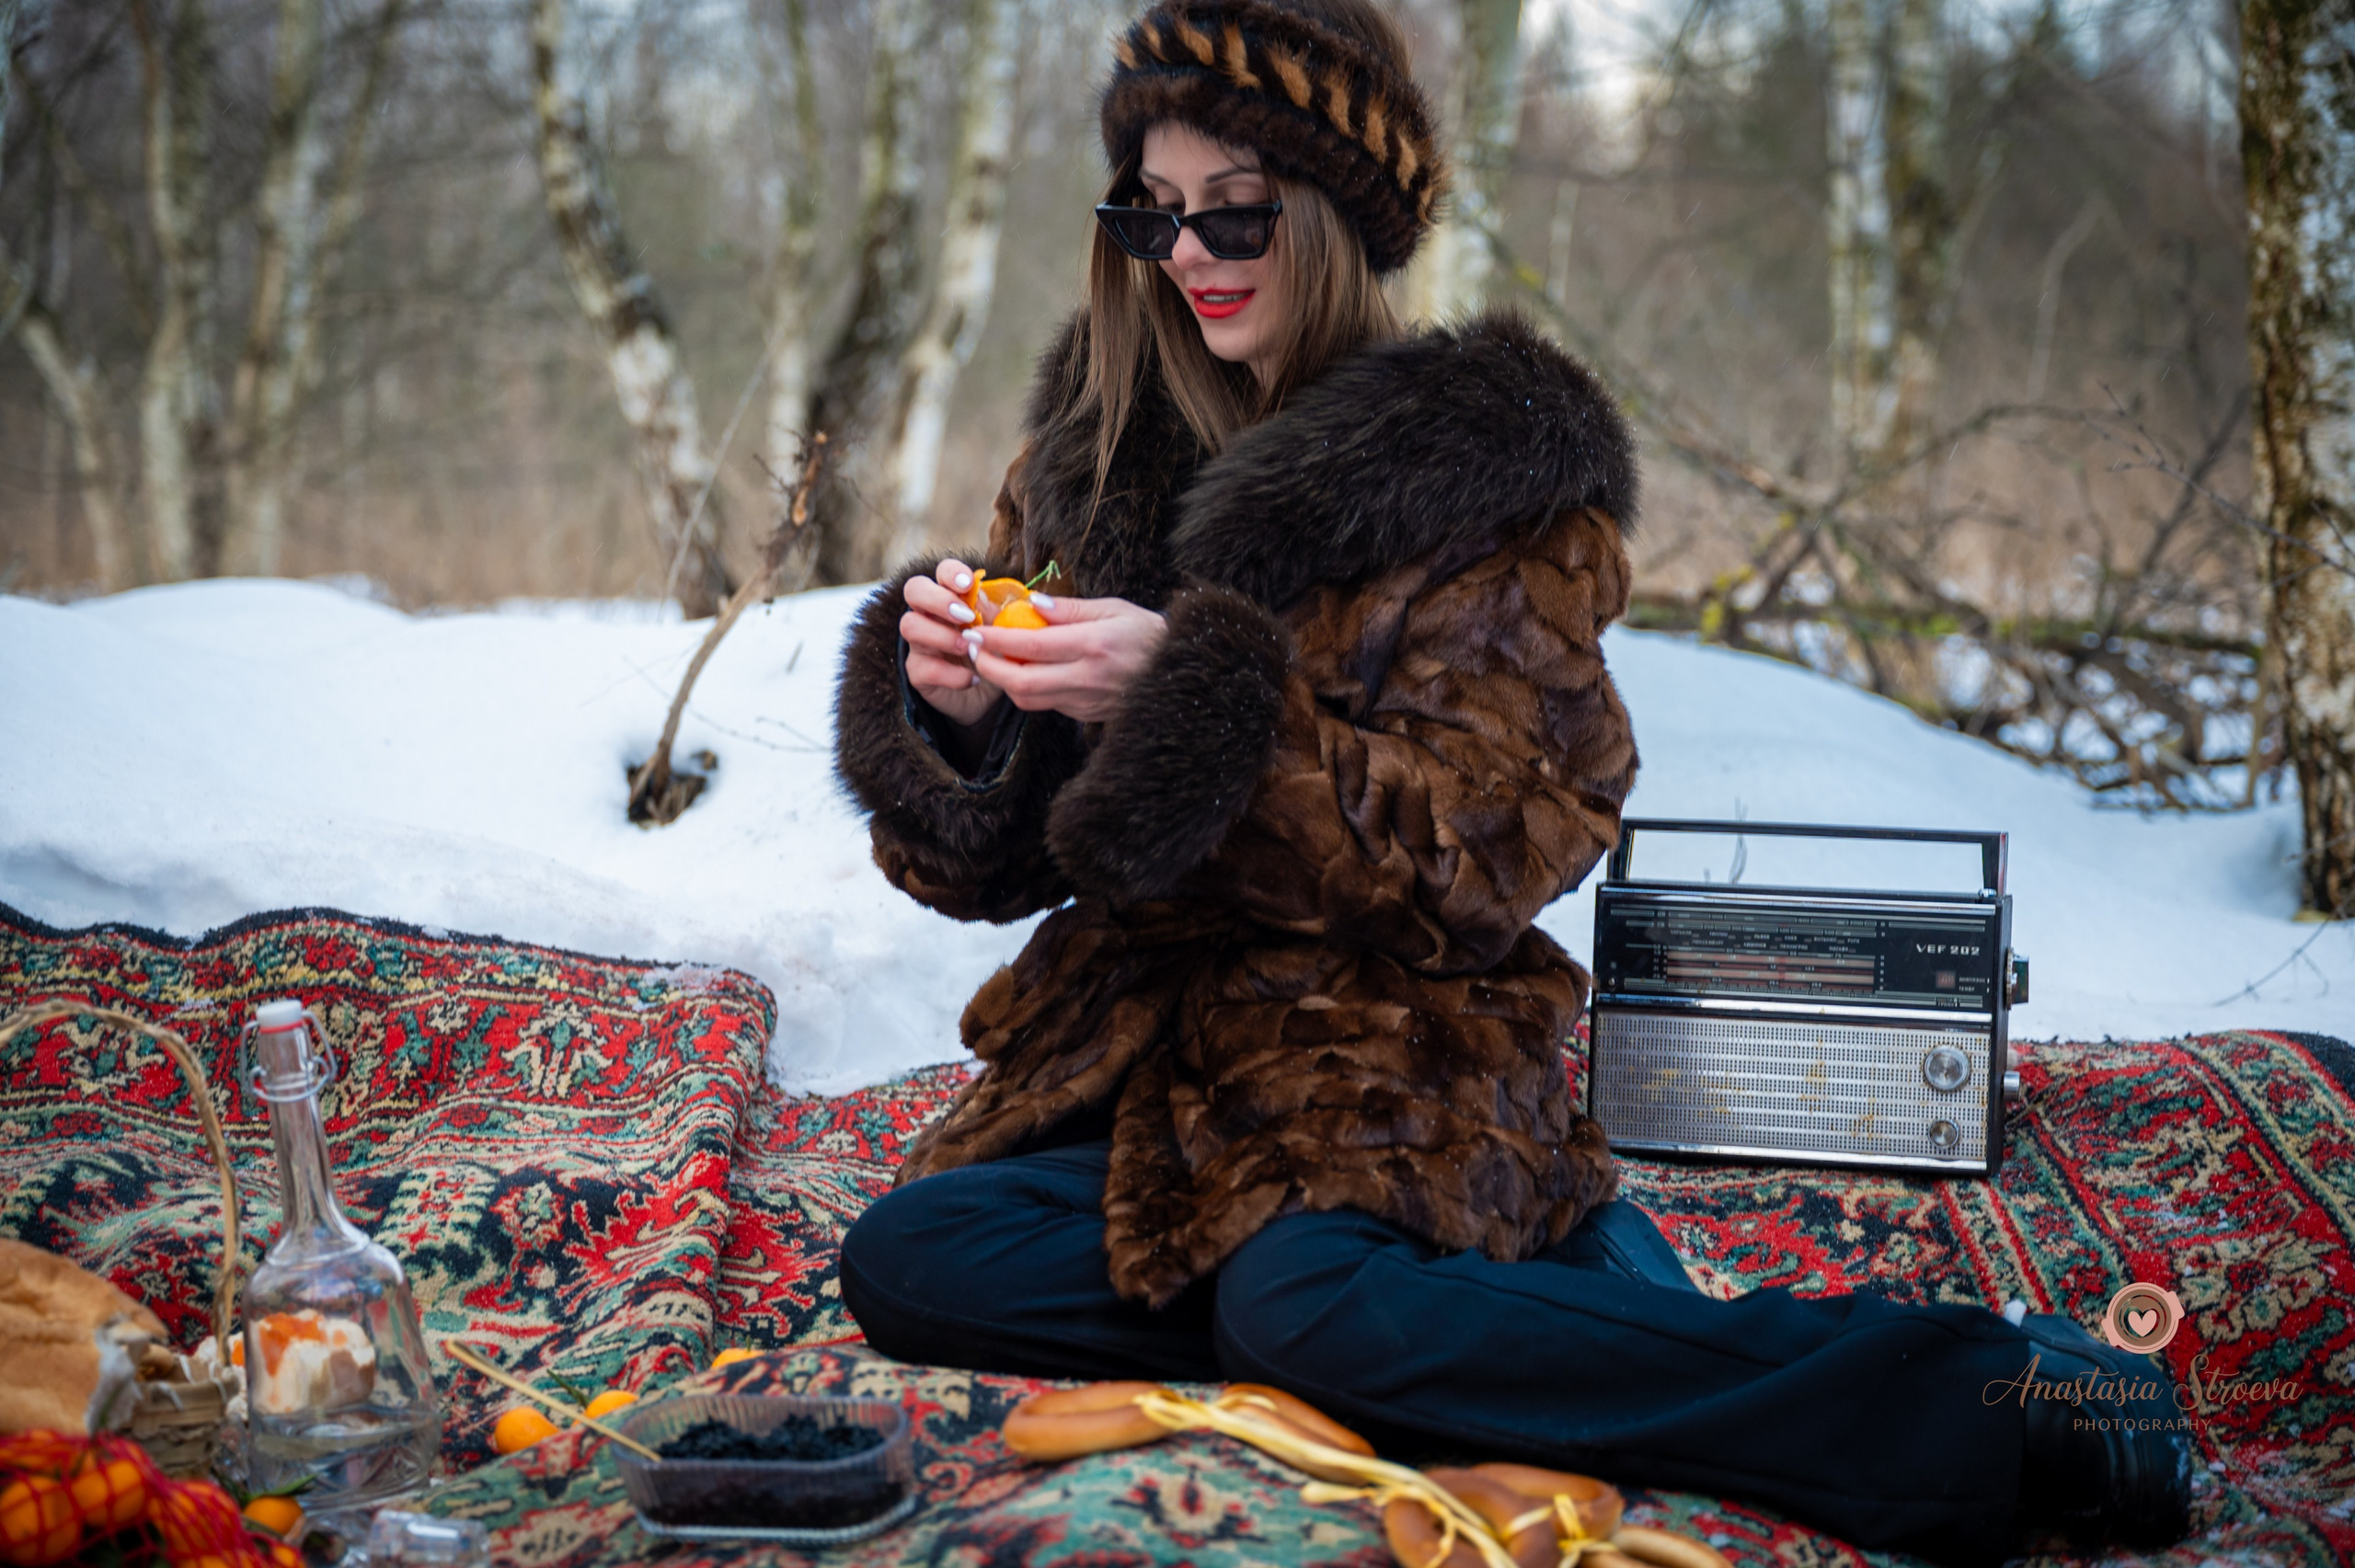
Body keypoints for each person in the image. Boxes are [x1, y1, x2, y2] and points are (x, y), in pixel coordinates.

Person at [830, 3, 2193, 1562]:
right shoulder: (1092, 458)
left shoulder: (1489, 479)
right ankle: (1524, 1309)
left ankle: (1994, 1404)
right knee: (917, 1257)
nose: (1189, 247)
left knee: (1298, 1295)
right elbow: (997, 868)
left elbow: (1496, 845)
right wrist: (958, 722)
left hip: (1399, 1045)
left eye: (1235, 210)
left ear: (1334, 215)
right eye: (1151, 206)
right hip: (1160, 1060)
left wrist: (1202, 706)